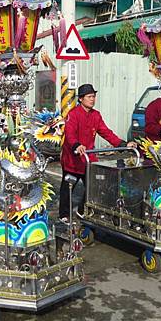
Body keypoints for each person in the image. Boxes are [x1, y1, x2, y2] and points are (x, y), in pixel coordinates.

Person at [59, 84, 137, 221]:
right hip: (73, 158)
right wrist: (77, 145)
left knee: (92, 186)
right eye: (89, 97)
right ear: (81, 99)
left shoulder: (96, 115)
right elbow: (70, 134)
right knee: (68, 188)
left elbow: (106, 132)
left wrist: (123, 144)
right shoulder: (73, 114)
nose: (92, 99)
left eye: (94, 96)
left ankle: (83, 210)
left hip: (89, 158)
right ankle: (63, 215)